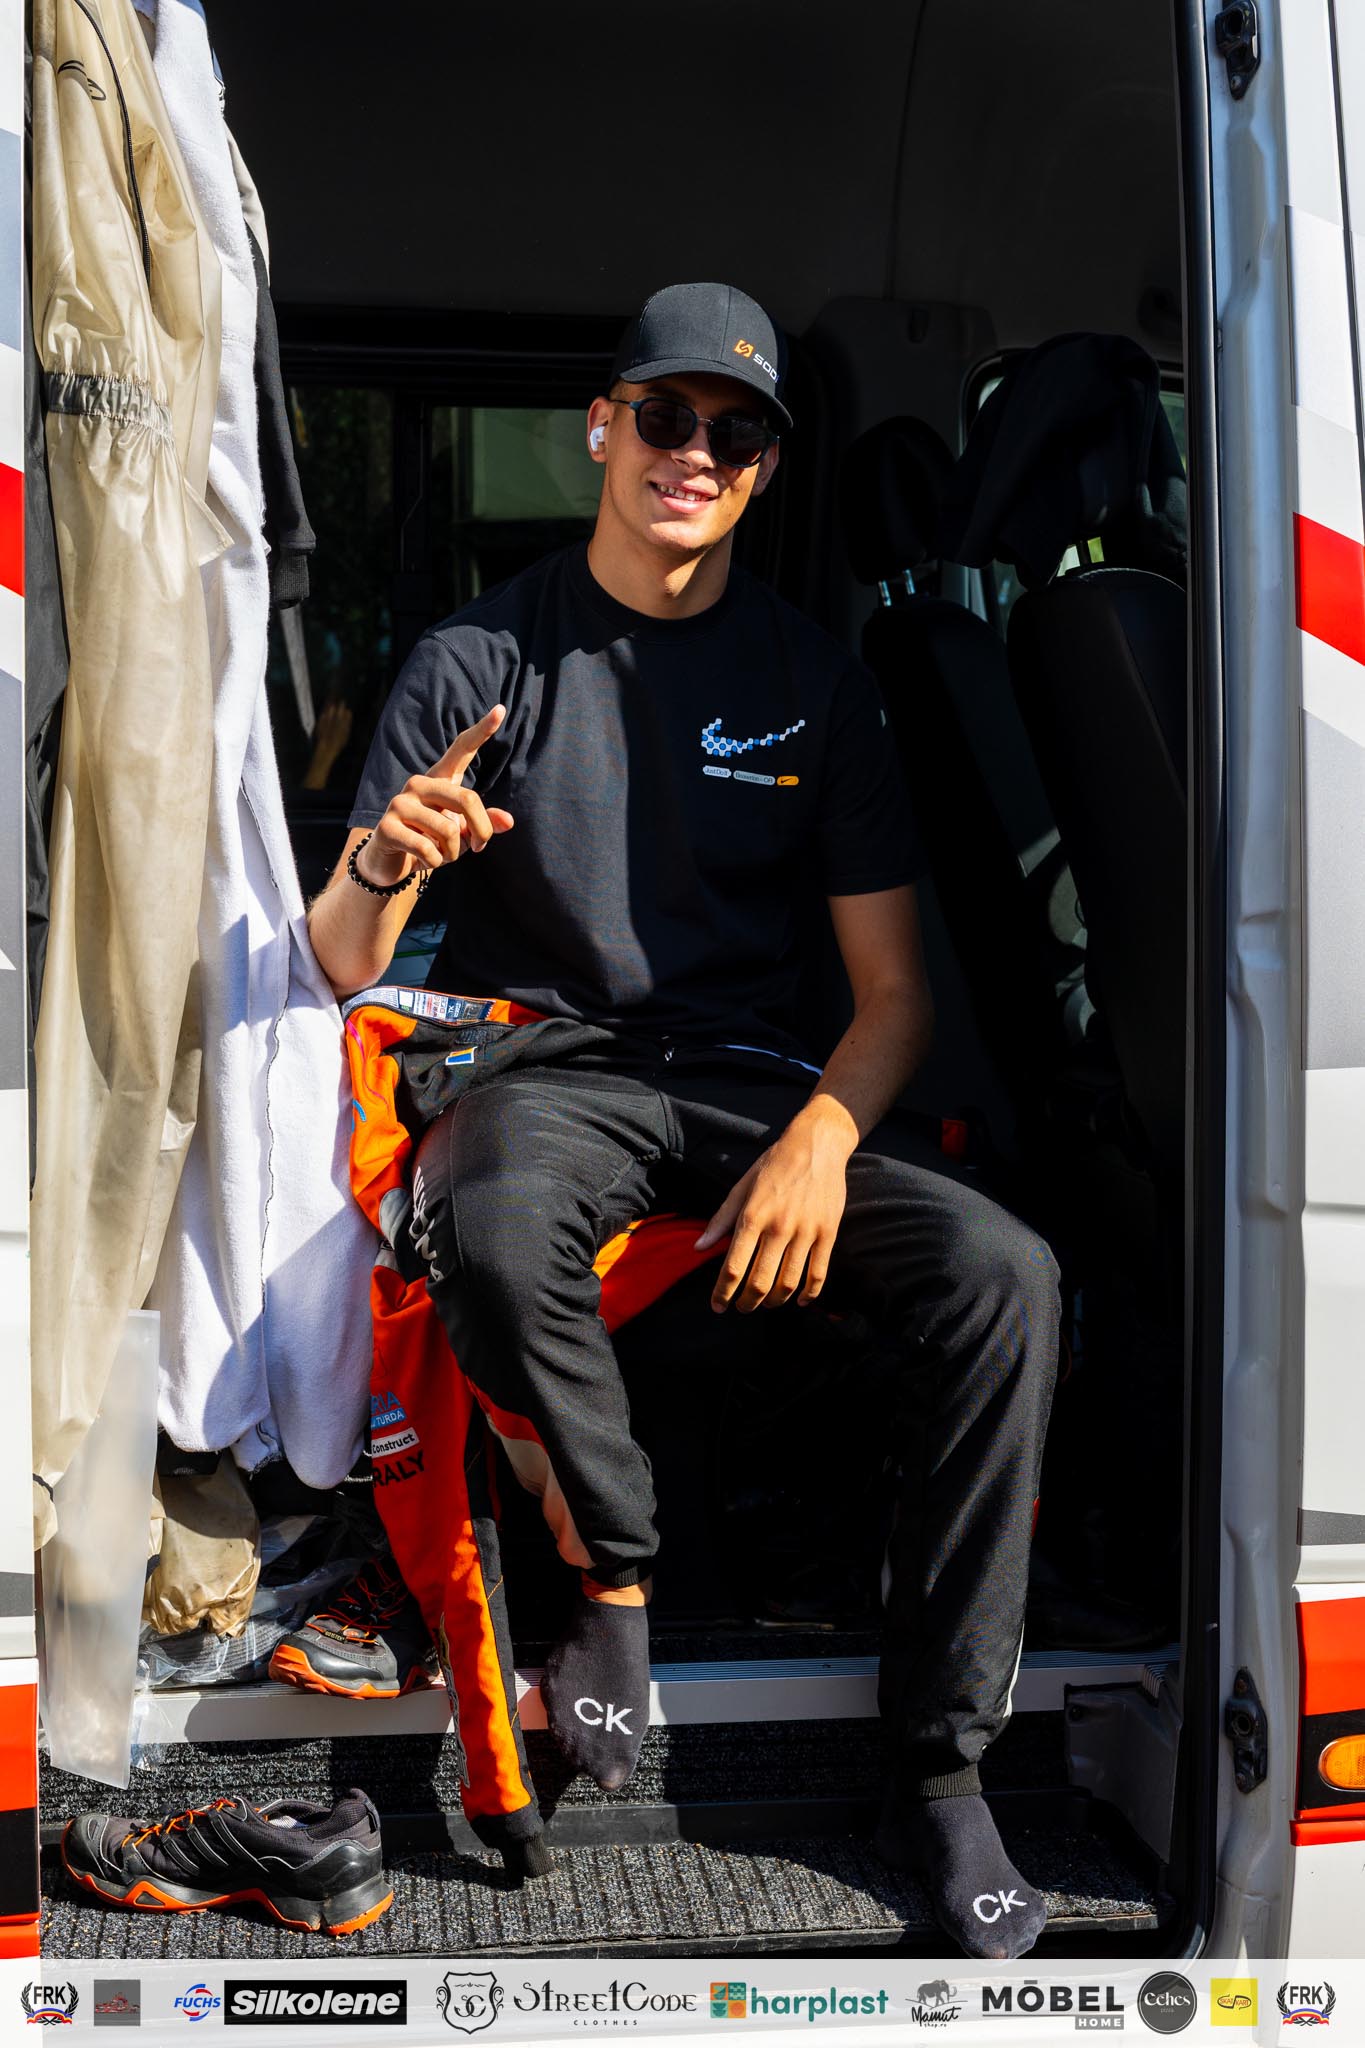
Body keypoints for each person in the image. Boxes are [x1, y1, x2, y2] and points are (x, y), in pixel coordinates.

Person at [307, 282, 1060, 1959]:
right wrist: (382, 858)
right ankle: (614, 1586)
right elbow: (346, 962)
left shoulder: (815, 684)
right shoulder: (477, 660)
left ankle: (939, 1776)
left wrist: (818, 1142)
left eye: (734, 432)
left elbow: (892, 998)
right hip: (541, 1072)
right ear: (602, 428)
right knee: (487, 1226)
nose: (693, 452)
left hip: (747, 1085)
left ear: (764, 469)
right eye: (663, 416)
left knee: (1005, 1277)